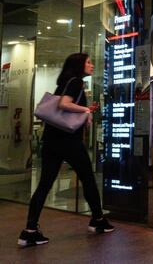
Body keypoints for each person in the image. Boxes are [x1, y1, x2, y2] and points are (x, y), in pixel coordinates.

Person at [20, 53, 114, 247]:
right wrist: (86, 110)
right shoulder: (76, 82)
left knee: (44, 184)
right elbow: (64, 104)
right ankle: (98, 220)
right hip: (69, 141)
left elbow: (63, 106)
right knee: (88, 178)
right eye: (88, 62)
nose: (92, 65)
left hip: (51, 141)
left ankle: (29, 231)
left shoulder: (64, 82)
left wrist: (84, 111)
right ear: (79, 65)